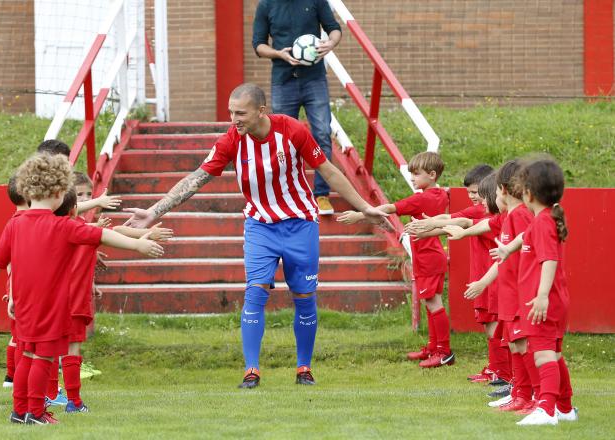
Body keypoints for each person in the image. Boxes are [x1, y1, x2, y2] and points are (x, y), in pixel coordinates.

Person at [124, 83, 389, 388]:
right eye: (230, 112)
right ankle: (252, 371)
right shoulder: (231, 140)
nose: (233, 119)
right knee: (255, 291)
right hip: (260, 225)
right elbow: (197, 178)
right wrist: (154, 212)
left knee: (304, 297)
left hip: (300, 222)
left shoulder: (292, 130)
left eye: (240, 113)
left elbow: (328, 171)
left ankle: (304, 368)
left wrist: (365, 207)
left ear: (261, 111)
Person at [0, 153, 164, 425]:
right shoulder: (62, 225)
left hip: (23, 305)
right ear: (58, 192)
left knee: (26, 354)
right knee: (42, 357)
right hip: (51, 307)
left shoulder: (15, 224)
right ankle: (37, 412)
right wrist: (137, 245)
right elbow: (101, 235)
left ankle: (19, 411)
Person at [338, 151, 453, 368]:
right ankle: (433, 347)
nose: (412, 178)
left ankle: (444, 352)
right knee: (431, 301)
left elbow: (390, 209)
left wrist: (360, 214)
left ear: (432, 175)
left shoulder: (422, 198)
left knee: (434, 303)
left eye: (416, 174)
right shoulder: (441, 195)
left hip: (428, 258)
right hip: (432, 255)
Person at [445, 160, 540, 413]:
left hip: (519, 291)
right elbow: (486, 225)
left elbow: (524, 244)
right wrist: (463, 234)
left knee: (524, 345)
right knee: (513, 344)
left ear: (505, 192)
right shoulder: (507, 217)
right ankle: (520, 394)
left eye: (494, 193)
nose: (491, 199)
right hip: (509, 292)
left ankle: (536, 397)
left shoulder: (519, 216)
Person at [404, 165, 510, 381]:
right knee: (489, 324)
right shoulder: (486, 212)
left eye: (477, 193)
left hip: (494, 276)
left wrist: (430, 225)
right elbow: (454, 222)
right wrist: (427, 227)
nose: (474, 198)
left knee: (497, 327)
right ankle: (497, 370)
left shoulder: (499, 216)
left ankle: (504, 374)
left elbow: (462, 223)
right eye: (470, 193)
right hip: (481, 276)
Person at [491, 158, 577, 426]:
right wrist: (508, 249)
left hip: (544, 301)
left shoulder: (542, 223)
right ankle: (564, 407)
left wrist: (541, 296)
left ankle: (547, 410)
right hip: (553, 301)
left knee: (543, 355)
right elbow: (524, 238)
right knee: (555, 355)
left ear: (528, 193)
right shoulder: (543, 220)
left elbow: (549, 260)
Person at [252, 0, 342, 215]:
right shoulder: (266, 5)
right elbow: (258, 45)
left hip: (315, 80)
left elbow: (334, 29)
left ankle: (322, 195)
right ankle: (286, 195)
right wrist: (279, 54)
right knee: (281, 140)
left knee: (321, 133)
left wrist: (330, 44)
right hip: (283, 80)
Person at [1, 175, 30, 389]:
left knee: (18, 336)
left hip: (16, 285)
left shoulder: (13, 222)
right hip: (25, 285)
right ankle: (17, 378)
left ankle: (11, 378)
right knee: (24, 339)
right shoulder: (25, 223)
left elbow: (6, 261)